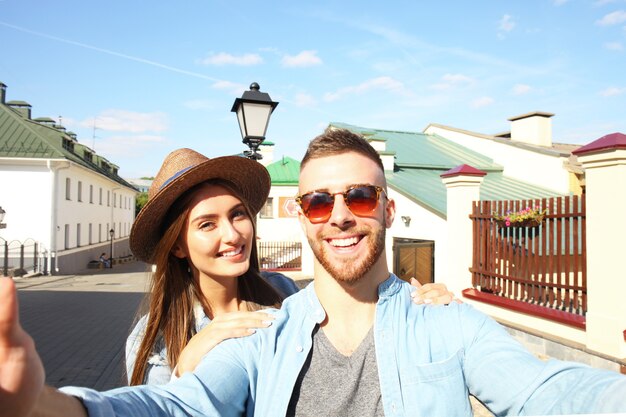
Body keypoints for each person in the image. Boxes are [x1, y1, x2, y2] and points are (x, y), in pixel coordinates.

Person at [4, 129, 624, 417]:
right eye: (319, 202)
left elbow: (548, 392)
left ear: (388, 207)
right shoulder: (265, 336)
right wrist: (41, 404)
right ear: (302, 217)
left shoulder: (440, 324)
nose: (340, 218)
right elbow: (171, 406)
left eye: (359, 197)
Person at [124, 148, 454, 386]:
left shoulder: (279, 290)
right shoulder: (155, 340)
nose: (233, 233)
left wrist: (417, 304)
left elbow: (352, 320)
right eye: (207, 224)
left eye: (238, 214)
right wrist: (187, 365)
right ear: (178, 245)